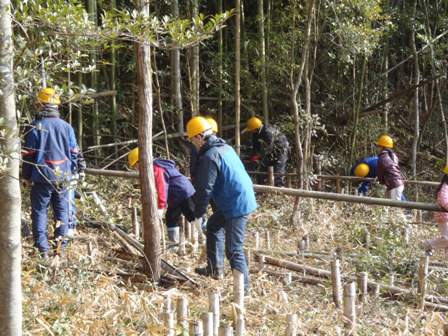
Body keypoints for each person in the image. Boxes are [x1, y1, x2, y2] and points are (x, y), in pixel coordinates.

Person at [187, 116, 257, 293]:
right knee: (213, 225)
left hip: (236, 204)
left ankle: (244, 290)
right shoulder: (224, 148)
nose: (193, 144)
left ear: (199, 137)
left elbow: (204, 189)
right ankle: (214, 269)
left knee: (234, 249)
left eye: (192, 140)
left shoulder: (210, 156)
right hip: (234, 199)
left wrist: (197, 214)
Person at [22, 87, 80, 258]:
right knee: (61, 212)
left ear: (41, 105)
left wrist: (26, 176)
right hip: (63, 177)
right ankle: (59, 250)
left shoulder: (35, 126)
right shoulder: (67, 127)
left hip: (41, 177)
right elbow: (74, 153)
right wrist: (73, 172)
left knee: (40, 213)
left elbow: (29, 155)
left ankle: (43, 251)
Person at [127, 148, 196, 242]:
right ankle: (174, 244)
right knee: (171, 219)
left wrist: (161, 207)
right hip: (174, 197)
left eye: (136, 166)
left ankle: (205, 235)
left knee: (194, 216)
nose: (136, 169)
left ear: (141, 161)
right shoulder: (152, 167)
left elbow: (162, 187)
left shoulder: (156, 167)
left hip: (183, 192)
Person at [242, 116, 289, 186]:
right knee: (262, 167)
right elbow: (256, 147)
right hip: (268, 151)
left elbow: (268, 147)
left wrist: (259, 156)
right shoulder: (255, 134)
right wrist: (253, 156)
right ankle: (263, 186)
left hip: (280, 148)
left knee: (278, 169)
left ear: (255, 128)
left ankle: (279, 189)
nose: (250, 131)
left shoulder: (267, 132)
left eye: (251, 130)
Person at [423, 166, 448, 255]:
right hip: (444, 217)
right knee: (447, 239)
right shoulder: (444, 188)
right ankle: (429, 244)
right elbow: (443, 200)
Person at [376, 134, 405, 200]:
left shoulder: (382, 158)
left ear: (382, 147)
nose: (378, 148)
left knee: (395, 207)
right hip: (395, 183)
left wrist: (380, 181)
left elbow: (380, 173)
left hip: (394, 184)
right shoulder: (393, 155)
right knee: (386, 204)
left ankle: (408, 210)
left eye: (379, 146)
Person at [67, 151, 86, 238]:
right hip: (62, 171)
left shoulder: (69, 137)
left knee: (69, 202)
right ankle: (66, 227)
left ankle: (70, 227)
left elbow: (77, 152)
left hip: (71, 172)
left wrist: (81, 170)